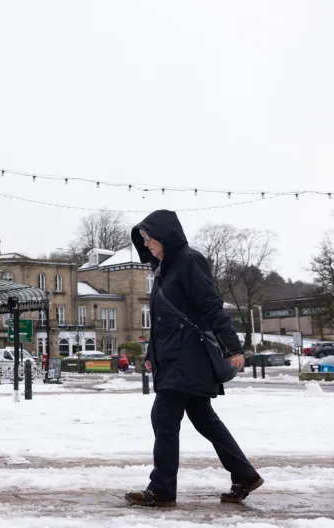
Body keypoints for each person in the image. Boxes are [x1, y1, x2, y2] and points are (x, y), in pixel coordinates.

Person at [124, 210, 263, 508]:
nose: (146, 245)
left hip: (187, 360)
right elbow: (164, 320)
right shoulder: (164, 270)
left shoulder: (189, 261)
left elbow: (211, 306)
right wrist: (151, 354)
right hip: (176, 359)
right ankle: (244, 474)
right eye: (144, 240)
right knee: (204, 419)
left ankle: (162, 490)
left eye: (150, 239)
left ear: (165, 236)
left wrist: (233, 347)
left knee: (163, 417)